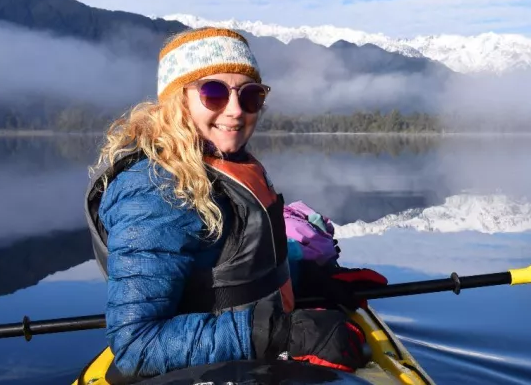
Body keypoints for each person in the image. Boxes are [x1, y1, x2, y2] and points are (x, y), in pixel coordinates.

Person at [83, 27, 383, 383]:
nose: (236, 111)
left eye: (251, 95)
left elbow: (233, 270)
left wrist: (311, 280)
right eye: (213, 93)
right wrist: (281, 334)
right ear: (177, 99)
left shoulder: (223, 159)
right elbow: (137, 346)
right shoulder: (151, 190)